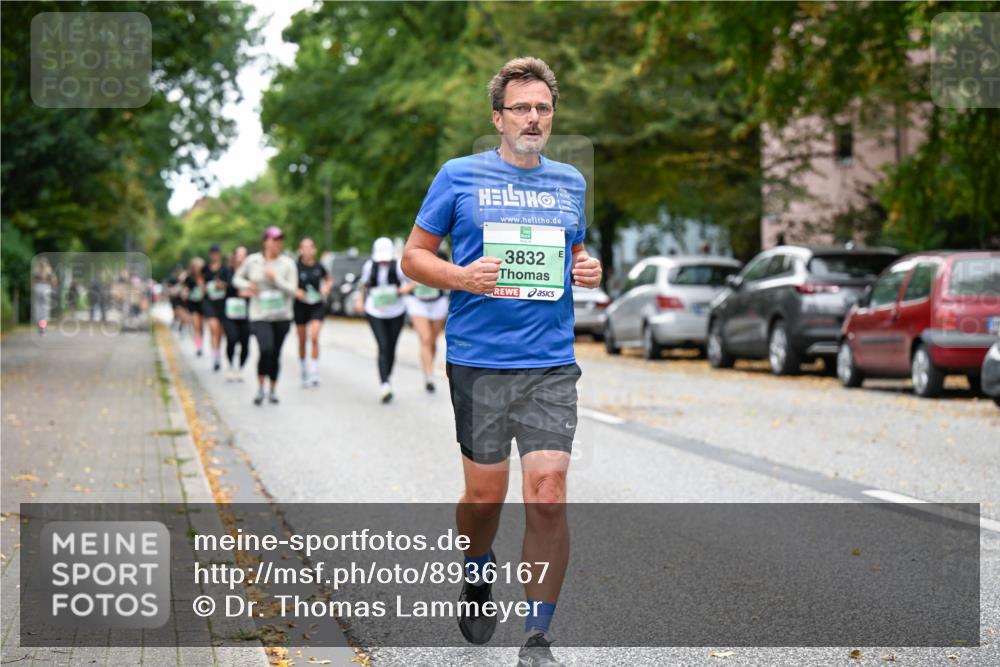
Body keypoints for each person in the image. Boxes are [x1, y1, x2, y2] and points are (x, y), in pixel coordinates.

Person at [401, 57, 601, 667]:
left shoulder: (570, 182)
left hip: (549, 362)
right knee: (484, 500)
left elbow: (575, 250)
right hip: (480, 362)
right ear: (498, 118)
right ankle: (477, 566)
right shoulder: (459, 176)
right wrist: (460, 276)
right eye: (521, 108)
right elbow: (414, 257)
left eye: (543, 108)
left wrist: (586, 268)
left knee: (547, 491)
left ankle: (537, 637)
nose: (533, 117)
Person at [232, 226, 297, 405]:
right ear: (265, 242)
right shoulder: (253, 261)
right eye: (274, 240)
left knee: (275, 353)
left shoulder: (288, 263)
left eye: (280, 240)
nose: (278, 243)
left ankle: (273, 389)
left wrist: (275, 278)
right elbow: (236, 279)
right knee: (265, 349)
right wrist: (248, 285)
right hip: (259, 314)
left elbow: (293, 290)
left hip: (282, 315)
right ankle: (261, 388)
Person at [356, 237, 406, 403]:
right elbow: (363, 284)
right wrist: (360, 301)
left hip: (396, 310)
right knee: (383, 345)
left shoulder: (399, 266)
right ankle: (384, 384)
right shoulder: (370, 266)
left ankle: (387, 375)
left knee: (391, 347)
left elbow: (412, 283)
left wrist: (401, 291)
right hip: (375, 311)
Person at [402, 248, 450, 393]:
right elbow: (405, 274)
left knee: (433, 340)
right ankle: (429, 376)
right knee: (425, 338)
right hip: (417, 301)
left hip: (437, 301)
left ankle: (429, 366)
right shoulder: (415, 252)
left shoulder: (441, 255)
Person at [294, 237, 333, 387]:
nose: (308, 250)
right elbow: (288, 283)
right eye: (304, 247)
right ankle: (304, 369)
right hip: (300, 306)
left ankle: (314, 372)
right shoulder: (295, 267)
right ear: (300, 250)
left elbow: (329, 279)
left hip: (316, 305)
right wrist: (296, 291)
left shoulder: (319, 266)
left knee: (315, 337)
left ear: (314, 250)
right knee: (302, 340)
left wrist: (326, 287)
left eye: (310, 247)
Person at [220, 246, 251, 381]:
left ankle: (241, 368)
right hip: (230, 311)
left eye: (244, 255)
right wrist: (221, 286)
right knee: (232, 338)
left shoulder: (251, 272)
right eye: (239, 254)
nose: (241, 257)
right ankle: (231, 365)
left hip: (246, 312)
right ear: (234, 256)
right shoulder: (227, 270)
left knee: (245, 341)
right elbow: (218, 283)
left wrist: (248, 293)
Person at [201, 243, 228, 372]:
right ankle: (215, 357)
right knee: (213, 327)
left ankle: (217, 353)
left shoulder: (225, 268)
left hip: (222, 303)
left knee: (220, 332)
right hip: (209, 301)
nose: (215, 255)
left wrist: (222, 285)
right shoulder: (205, 268)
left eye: (217, 253)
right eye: (213, 253)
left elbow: (229, 283)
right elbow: (200, 281)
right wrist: (205, 287)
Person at [184, 257, 206, 355]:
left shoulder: (206, 276)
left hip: (204, 303)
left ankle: (200, 341)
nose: (197, 268)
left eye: (199, 266)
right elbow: (185, 289)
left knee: (201, 326)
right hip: (193, 304)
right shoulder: (189, 278)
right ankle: (198, 347)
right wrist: (184, 293)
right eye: (195, 266)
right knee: (196, 325)